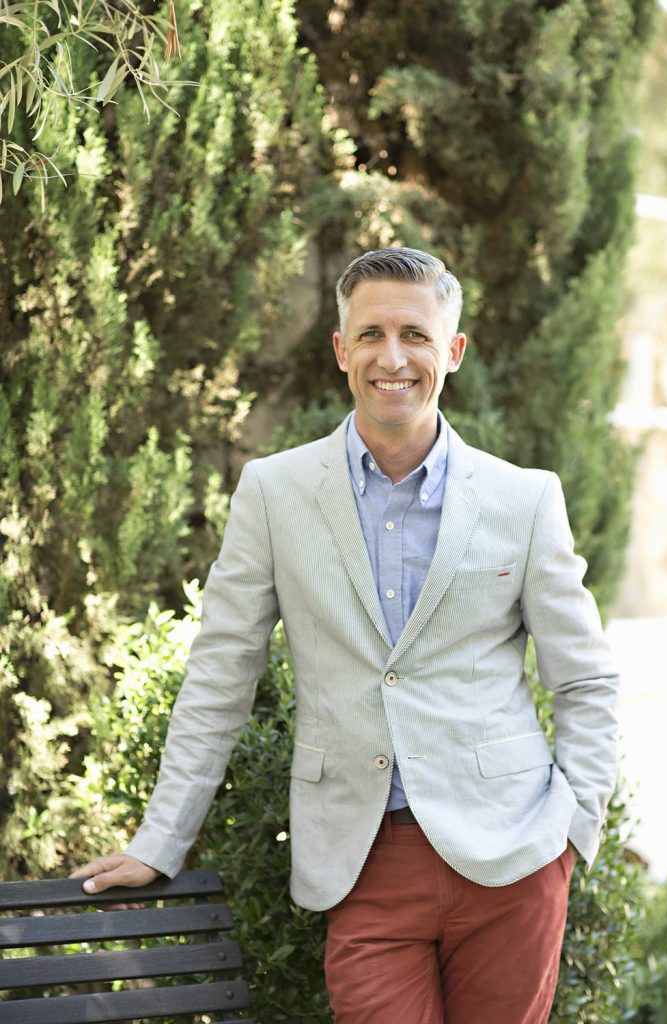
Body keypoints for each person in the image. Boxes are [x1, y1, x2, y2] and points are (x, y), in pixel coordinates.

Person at [72, 247, 619, 1024]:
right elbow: (221, 673)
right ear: (340, 349)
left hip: (514, 856)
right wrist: (159, 841)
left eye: (415, 335)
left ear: (452, 351)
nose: (391, 358)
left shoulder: (524, 499)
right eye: (370, 335)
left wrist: (574, 830)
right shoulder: (273, 492)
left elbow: (584, 678)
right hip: (360, 859)